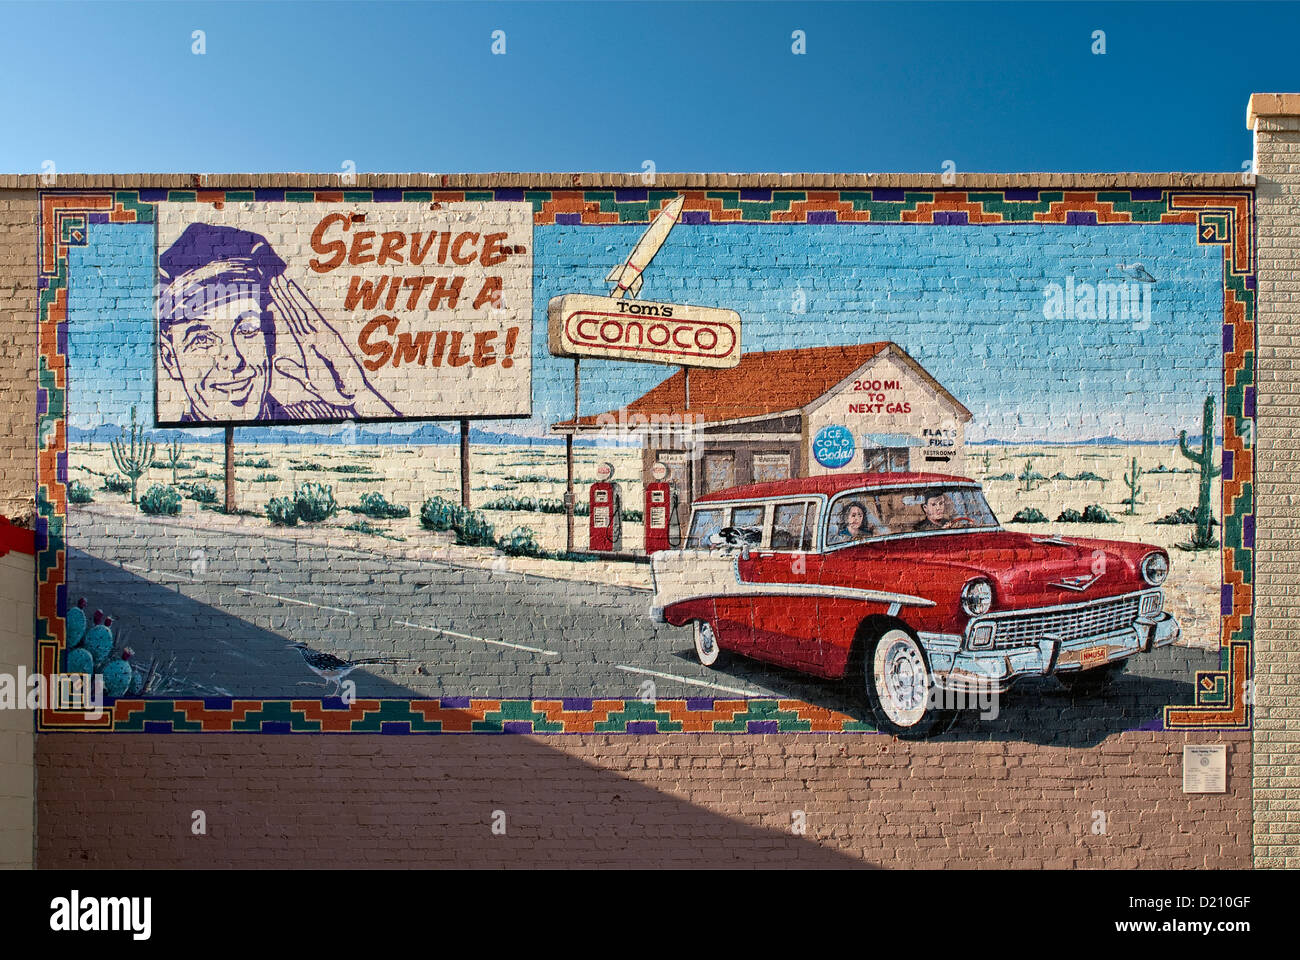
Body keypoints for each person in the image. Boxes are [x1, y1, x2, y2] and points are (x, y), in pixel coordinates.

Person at [157, 223, 401, 423]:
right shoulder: (172, 454)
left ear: (270, 336)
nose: (234, 360)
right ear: (170, 357)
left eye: (248, 329)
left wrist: (358, 396)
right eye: (202, 340)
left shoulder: (321, 420)